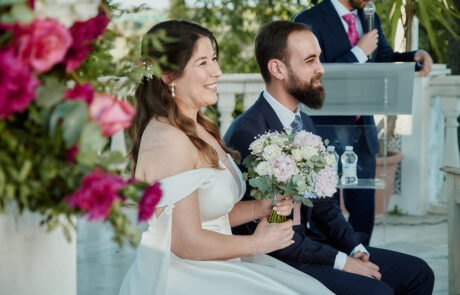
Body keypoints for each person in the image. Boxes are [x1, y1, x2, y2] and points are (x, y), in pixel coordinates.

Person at [118, 20, 333, 295]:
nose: (217, 71)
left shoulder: (200, 127)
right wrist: (257, 244)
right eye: (203, 63)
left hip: (216, 263)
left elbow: (209, 214)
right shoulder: (168, 140)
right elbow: (186, 242)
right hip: (185, 276)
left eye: (215, 59)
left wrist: (262, 208)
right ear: (169, 75)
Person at [224, 20, 434, 295]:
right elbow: (273, 234)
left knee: (418, 274)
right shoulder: (249, 132)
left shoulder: (307, 124)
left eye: (319, 59)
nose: (321, 69)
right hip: (274, 257)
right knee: (377, 291)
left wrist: (355, 249)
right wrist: (341, 262)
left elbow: (323, 206)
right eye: (310, 60)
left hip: (305, 244)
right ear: (277, 68)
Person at [294, 0, 433, 244]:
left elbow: (382, 56)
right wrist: (358, 51)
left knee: (364, 211)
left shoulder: (369, 16)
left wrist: (414, 57)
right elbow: (311, 73)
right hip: (325, 131)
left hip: (363, 130)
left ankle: (360, 260)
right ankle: (331, 269)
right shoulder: (309, 20)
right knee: (325, 212)